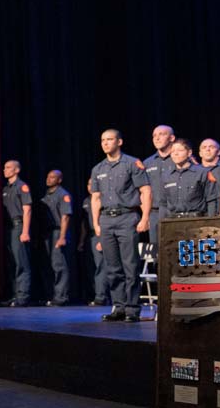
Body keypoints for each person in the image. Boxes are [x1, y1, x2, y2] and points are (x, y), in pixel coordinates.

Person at [91, 129, 151, 323]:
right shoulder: (98, 168)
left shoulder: (132, 163)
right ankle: (119, 306)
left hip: (127, 217)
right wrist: (96, 224)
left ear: (119, 141)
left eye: (109, 139)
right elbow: (96, 198)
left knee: (130, 266)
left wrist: (144, 218)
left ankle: (133, 309)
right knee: (112, 267)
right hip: (106, 220)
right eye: (103, 140)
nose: (106, 143)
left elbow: (145, 191)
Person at [1, 160, 32, 307]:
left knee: (21, 262)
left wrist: (25, 231)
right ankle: (15, 295)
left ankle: (23, 296)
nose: (4, 170)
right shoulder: (6, 188)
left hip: (19, 226)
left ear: (16, 170)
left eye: (8, 168)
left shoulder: (22, 187)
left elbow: (27, 209)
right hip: (8, 228)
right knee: (12, 262)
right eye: (4, 167)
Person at [40, 170, 72, 306]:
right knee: (50, 265)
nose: (49, 179)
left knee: (59, 265)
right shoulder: (47, 195)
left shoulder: (63, 194)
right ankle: (52, 295)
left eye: (52, 177)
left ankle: (61, 297)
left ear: (59, 180)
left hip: (59, 232)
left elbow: (65, 217)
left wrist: (62, 237)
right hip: (48, 233)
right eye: (47, 176)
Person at [161, 139, 215, 218]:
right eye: (172, 151)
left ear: (189, 153)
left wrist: (211, 221)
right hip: (172, 221)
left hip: (196, 220)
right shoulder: (166, 176)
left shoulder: (202, 172)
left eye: (180, 150)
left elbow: (211, 199)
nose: (175, 153)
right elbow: (163, 203)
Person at [79, 178, 110, 306]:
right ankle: (96, 294)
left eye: (93, 184)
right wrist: (81, 241)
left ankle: (101, 297)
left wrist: (102, 238)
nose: (90, 186)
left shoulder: (103, 199)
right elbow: (83, 224)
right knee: (93, 268)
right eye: (88, 183)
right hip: (90, 237)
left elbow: (105, 220)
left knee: (101, 267)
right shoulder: (86, 201)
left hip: (101, 235)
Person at [143, 125, 175, 248]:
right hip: (155, 213)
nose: (157, 138)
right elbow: (143, 192)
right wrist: (146, 217)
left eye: (161, 134)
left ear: (171, 138)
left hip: (177, 212)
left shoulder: (180, 158)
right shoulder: (147, 163)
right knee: (158, 254)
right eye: (154, 136)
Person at [199, 138, 220, 216]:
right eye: (204, 147)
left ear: (219, 152)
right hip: (202, 214)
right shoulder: (195, 172)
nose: (207, 149)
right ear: (200, 153)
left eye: (212, 147)